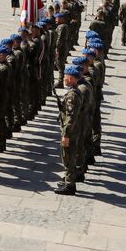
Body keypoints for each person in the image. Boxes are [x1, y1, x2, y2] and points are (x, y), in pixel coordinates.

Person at [54, 65, 85, 195]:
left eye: (66, 77)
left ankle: (70, 185)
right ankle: (68, 180)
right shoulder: (75, 91)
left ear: (71, 78)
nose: (64, 79)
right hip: (74, 129)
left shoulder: (72, 95)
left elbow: (70, 117)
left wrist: (65, 134)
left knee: (68, 157)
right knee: (69, 155)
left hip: (70, 131)